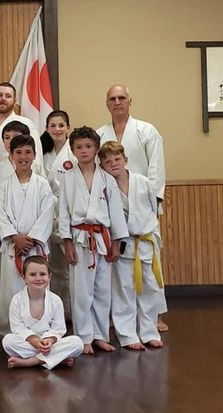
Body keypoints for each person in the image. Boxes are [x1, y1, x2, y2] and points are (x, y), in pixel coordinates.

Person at [96, 84, 168, 331]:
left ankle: (155, 315)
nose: (118, 102)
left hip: (142, 201)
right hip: (110, 202)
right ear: (107, 103)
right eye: (113, 98)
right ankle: (121, 319)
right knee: (118, 268)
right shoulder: (100, 133)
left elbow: (156, 169)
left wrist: (153, 205)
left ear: (130, 101)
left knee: (150, 264)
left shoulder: (147, 130)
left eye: (122, 98)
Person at [58, 126, 128, 355]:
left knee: (102, 289)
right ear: (73, 150)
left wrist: (116, 242)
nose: (84, 150)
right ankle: (83, 337)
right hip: (79, 238)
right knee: (81, 290)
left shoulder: (107, 179)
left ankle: (100, 335)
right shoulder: (67, 178)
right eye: (79, 147)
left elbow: (116, 212)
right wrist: (66, 241)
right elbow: (64, 212)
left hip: (102, 238)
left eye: (88, 146)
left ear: (97, 149)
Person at [99, 142, 164, 350]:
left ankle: (149, 332)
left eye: (117, 159)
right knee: (124, 290)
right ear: (102, 165)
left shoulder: (143, 182)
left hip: (145, 241)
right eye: (108, 161)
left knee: (150, 289)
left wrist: (155, 237)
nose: (113, 164)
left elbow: (153, 210)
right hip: (124, 244)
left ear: (126, 160)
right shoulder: (106, 186)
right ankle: (127, 335)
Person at [0, 135, 54, 334]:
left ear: (35, 155)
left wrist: (32, 237)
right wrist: (15, 237)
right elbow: (1, 215)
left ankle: (40, 329)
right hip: (13, 248)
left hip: (35, 248)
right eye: (18, 152)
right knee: (12, 290)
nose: (23, 157)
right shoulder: (4, 185)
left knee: (38, 287)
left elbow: (47, 214)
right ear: (10, 155)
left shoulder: (43, 185)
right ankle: (11, 331)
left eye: (28, 152)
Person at [2, 256, 83, 369]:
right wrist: (35, 341)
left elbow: (58, 329)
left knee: (77, 343)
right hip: (29, 342)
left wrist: (48, 340)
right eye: (33, 274)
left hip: (50, 343)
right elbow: (17, 328)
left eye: (42, 274)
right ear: (23, 277)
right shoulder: (17, 300)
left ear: (49, 277)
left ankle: (32, 361)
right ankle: (57, 358)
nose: (38, 278)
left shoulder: (55, 300)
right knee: (8, 341)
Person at [41, 110, 75, 316]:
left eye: (61, 125)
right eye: (53, 126)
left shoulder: (74, 153)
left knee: (70, 269)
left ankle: (73, 311)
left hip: (68, 214)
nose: (57, 129)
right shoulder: (43, 152)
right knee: (52, 268)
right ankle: (56, 313)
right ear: (47, 129)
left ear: (68, 128)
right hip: (47, 214)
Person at [0, 82, 43, 163]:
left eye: (8, 96)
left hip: (16, 173)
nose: (3, 99)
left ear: (14, 102)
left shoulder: (26, 124)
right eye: (0, 95)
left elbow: (36, 158)